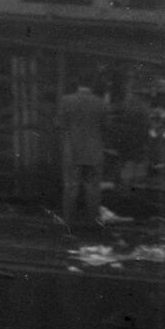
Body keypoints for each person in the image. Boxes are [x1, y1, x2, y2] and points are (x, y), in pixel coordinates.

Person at [58, 77, 111, 226]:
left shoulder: (66, 100)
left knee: (71, 187)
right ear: (92, 86)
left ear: (77, 84)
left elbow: (60, 124)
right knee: (93, 188)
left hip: (72, 151)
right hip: (94, 152)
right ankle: (92, 222)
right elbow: (106, 127)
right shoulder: (101, 103)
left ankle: (68, 222)